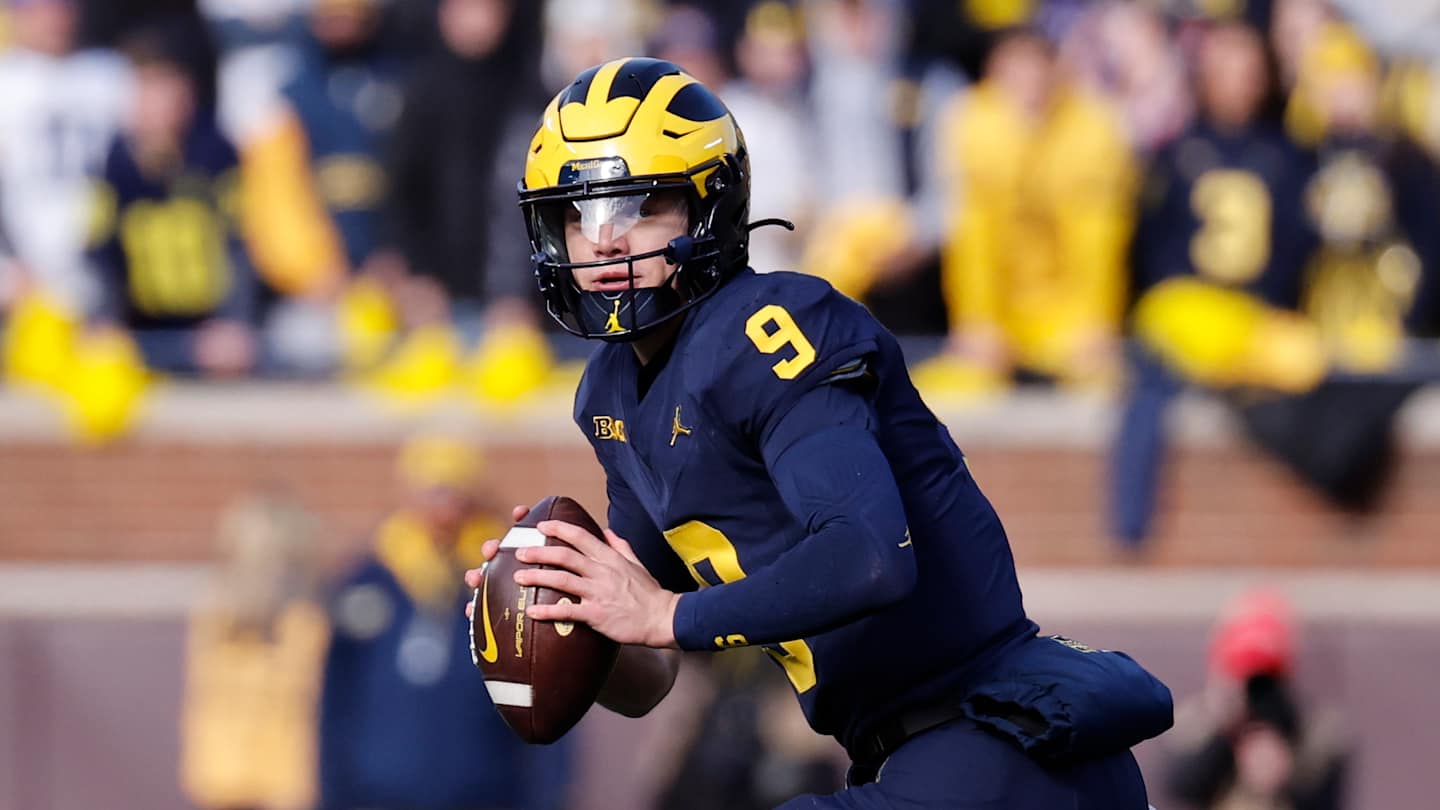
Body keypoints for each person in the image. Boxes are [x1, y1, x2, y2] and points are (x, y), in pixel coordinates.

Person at [463, 57, 1172, 808]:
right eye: (578, 213)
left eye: (638, 206)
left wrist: (668, 613)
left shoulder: (768, 328)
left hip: (999, 744)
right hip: (914, 762)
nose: (603, 240)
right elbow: (652, 674)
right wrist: (569, 615)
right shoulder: (611, 394)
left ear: (710, 208)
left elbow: (869, 556)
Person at [322, 434, 571, 810]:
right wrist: (333, 788)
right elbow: (336, 696)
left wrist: (548, 792)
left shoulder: (503, 579)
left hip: (486, 790)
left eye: (452, 490)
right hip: (379, 792)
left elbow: (544, 691)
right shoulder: (370, 580)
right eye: (431, 490)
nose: (442, 506)